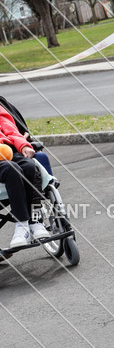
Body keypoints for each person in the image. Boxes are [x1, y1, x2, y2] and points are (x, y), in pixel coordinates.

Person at [0, 103, 50, 249]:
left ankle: (35, 222)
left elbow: (10, 129)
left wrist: (24, 145)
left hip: (7, 150)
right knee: (12, 169)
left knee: (29, 166)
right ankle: (21, 225)